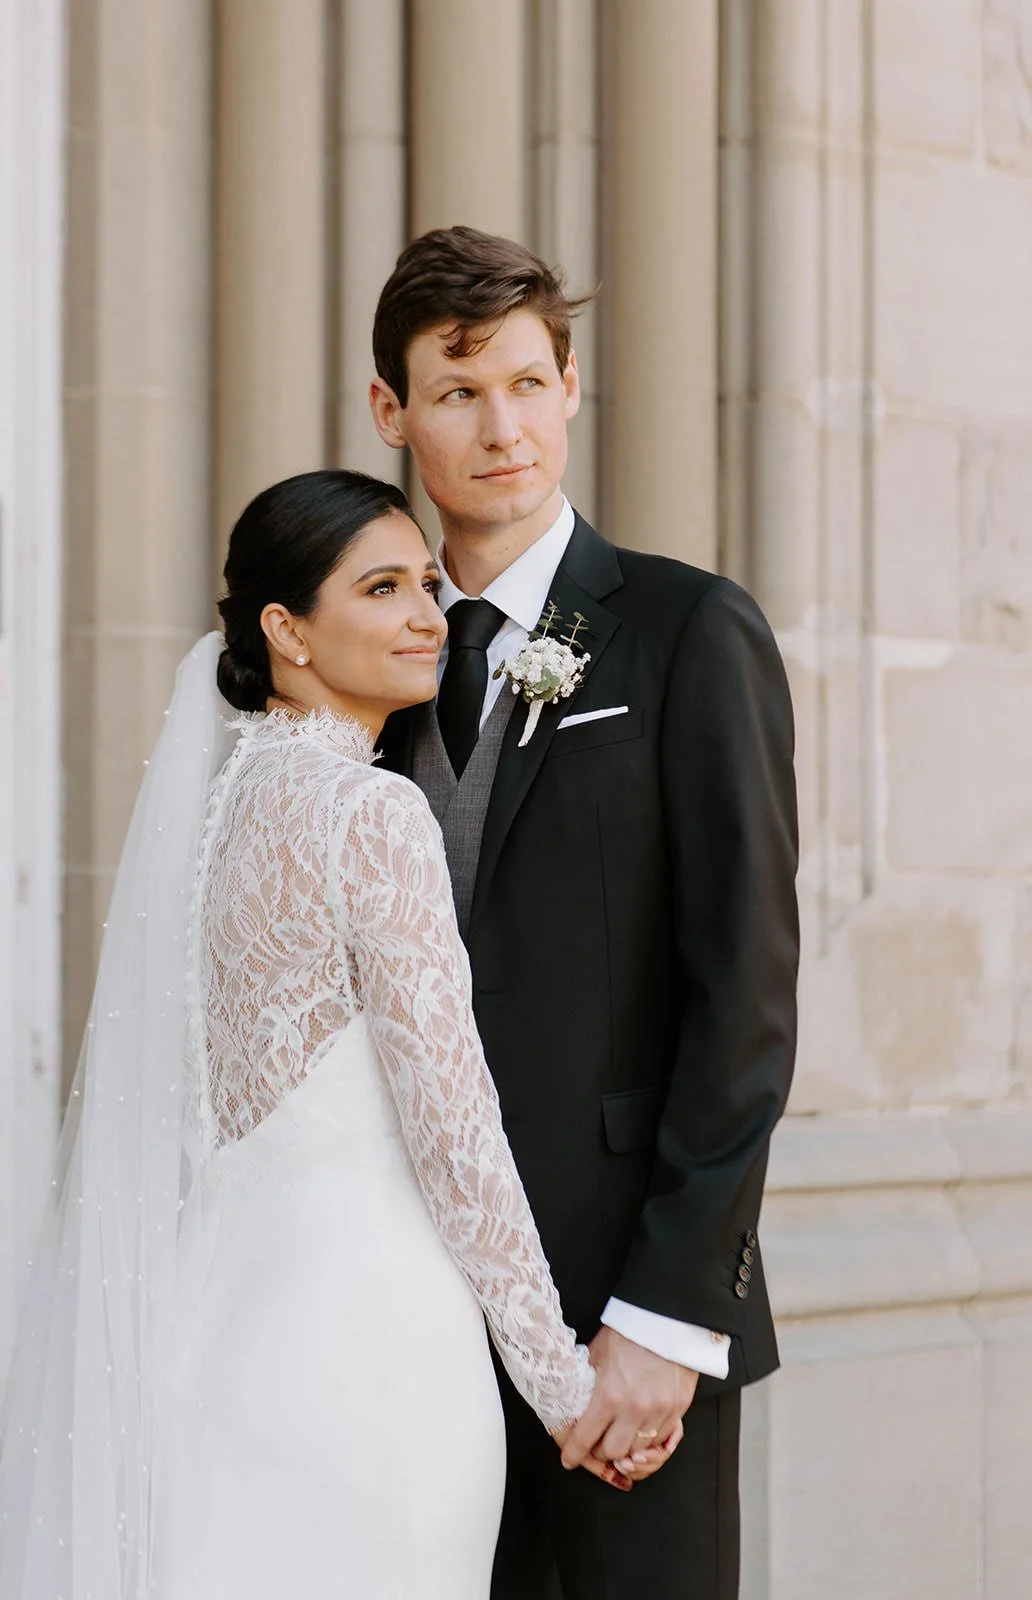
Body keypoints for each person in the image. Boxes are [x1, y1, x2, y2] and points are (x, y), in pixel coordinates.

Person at [0, 469, 675, 1600]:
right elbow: (457, 1137)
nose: (428, 614)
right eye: (382, 588)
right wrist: (563, 1388)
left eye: (425, 581)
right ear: (287, 630)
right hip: (372, 1361)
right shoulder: (373, 815)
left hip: (216, 1347)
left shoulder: (213, 823)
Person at [370, 227, 800, 1600]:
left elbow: (744, 995)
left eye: (525, 383)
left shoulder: (687, 632)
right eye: (455, 391)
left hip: (622, 1323)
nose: (501, 427)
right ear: (393, 412)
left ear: (569, 386)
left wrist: (670, 1318)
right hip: (398, 1329)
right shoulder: (362, 669)